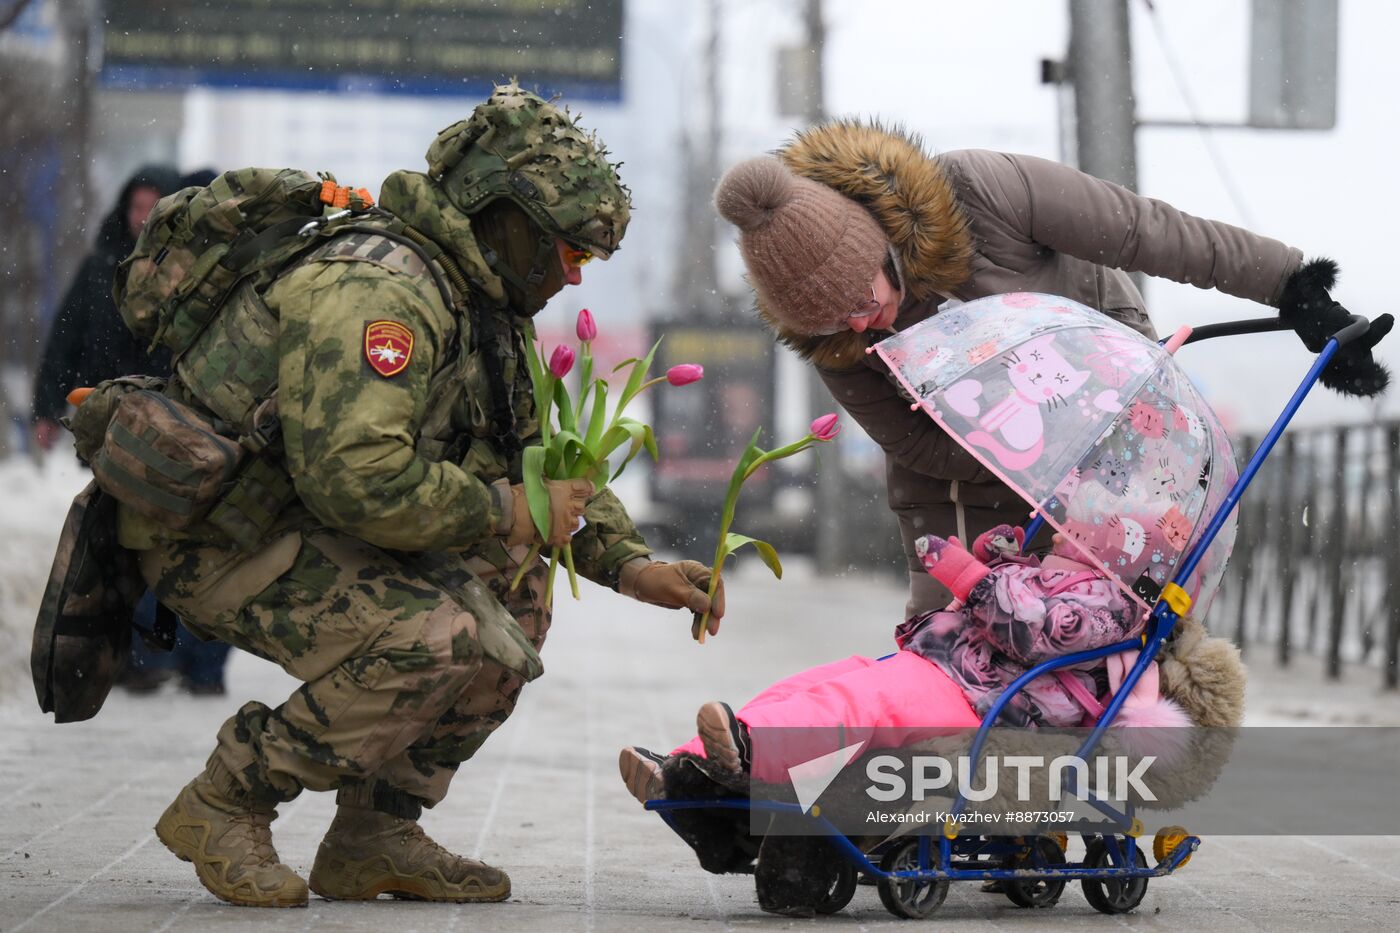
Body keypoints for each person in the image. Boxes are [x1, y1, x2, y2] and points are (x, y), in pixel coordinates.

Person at [121, 85, 725, 908]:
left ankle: (375, 831)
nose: (572, 276)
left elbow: (537, 456)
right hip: (219, 532)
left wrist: (629, 564)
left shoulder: (482, 301)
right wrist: (501, 511)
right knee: (443, 633)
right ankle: (228, 798)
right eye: (566, 250)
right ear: (504, 217)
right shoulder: (384, 291)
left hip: (303, 521)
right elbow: (357, 477)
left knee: (514, 592)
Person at [710, 124, 1388, 618]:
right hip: (957, 464)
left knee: (1112, 614)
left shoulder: (980, 192)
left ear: (876, 245)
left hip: (1106, 393)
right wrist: (1028, 449)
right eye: (835, 324)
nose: (862, 327)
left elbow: (1143, 229)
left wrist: (1292, 287)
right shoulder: (834, 336)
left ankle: (1097, 774)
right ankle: (910, 793)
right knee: (949, 640)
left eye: (860, 300)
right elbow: (909, 440)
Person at [31, 164, 180, 451]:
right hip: (104, 419)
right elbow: (66, 339)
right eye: (137, 207)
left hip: (168, 425)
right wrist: (47, 408)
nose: (143, 217)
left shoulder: (187, 272)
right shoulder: (100, 268)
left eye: (153, 208)